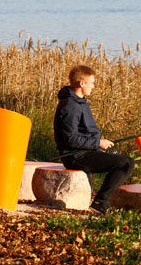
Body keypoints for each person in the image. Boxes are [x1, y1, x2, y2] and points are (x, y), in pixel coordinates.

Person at [53, 64, 134, 213]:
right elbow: (70, 139)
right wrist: (97, 143)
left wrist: (98, 145)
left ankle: (101, 201)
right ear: (81, 83)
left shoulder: (80, 102)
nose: (93, 86)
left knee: (128, 162)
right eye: (92, 83)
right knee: (123, 163)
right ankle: (101, 202)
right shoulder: (70, 106)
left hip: (86, 151)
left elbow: (82, 132)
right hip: (75, 156)